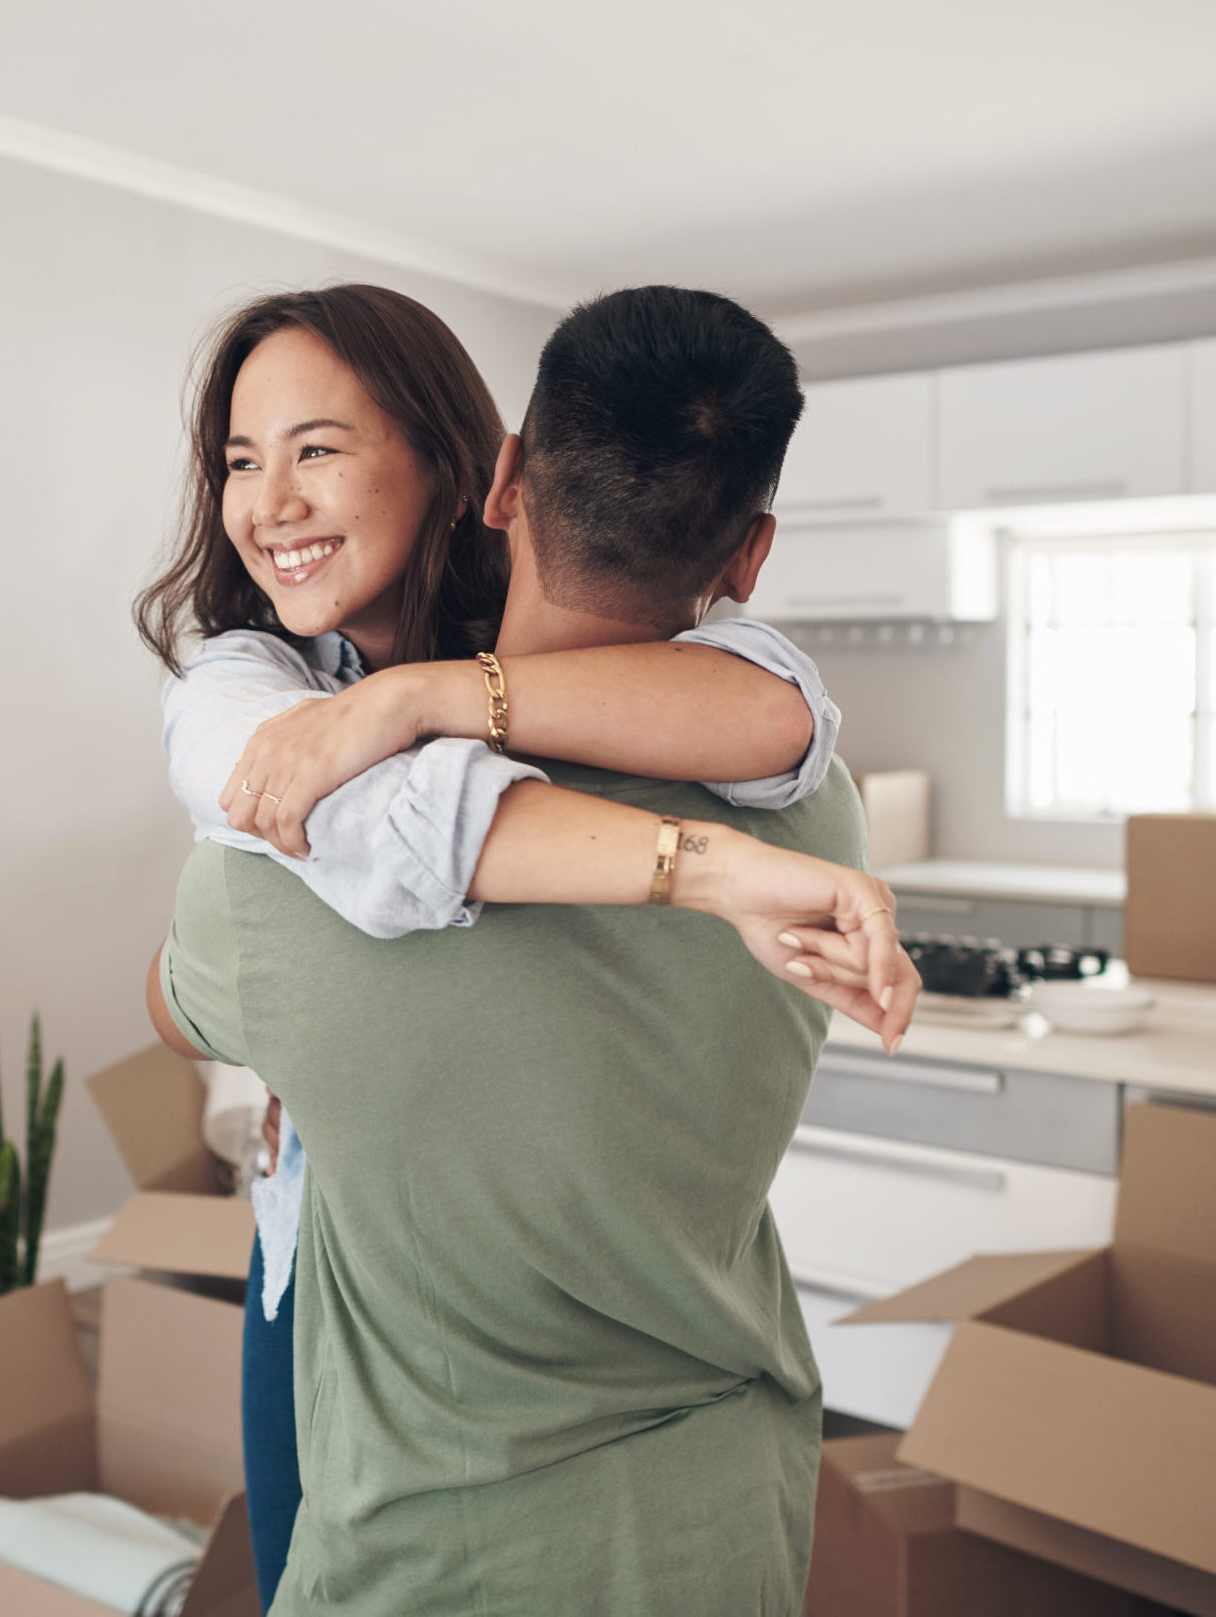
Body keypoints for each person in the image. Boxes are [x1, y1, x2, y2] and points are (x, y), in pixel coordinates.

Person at [133, 285, 910, 1608]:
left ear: (490, 479)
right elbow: (788, 723)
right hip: (712, 1457)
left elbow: (182, 987)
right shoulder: (817, 821)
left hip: (424, 1491)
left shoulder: (274, 884)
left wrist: (421, 701)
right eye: (241, 461)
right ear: (751, 551)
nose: (271, 502)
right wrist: (711, 866)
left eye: (317, 448)